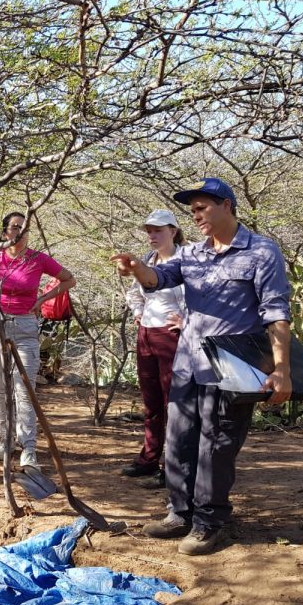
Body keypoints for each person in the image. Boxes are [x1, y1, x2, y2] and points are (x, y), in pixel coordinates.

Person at [111, 178, 292, 556]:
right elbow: (159, 278)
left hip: (233, 369)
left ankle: (211, 522)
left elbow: (275, 312)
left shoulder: (261, 252)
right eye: (192, 210)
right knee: (179, 441)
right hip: (187, 363)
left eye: (202, 208)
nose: (196, 216)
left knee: (216, 445)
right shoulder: (192, 253)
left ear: (226, 205)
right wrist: (136, 268)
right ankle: (180, 513)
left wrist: (281, 370)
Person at [0, 211, 76, 474]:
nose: (20, 233)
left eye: (24, 229)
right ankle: (5, 440)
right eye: (15, 227)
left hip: (25, 325)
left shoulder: (37, 259)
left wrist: (41, 301)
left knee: (25, 389)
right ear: (5, 231)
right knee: (0, 387)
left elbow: (69, 279)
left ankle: (29, 449)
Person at [121, 210, 186, 490]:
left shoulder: (187, 259)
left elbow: (199, 296)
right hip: (146, 333)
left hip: (172, 336)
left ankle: (171, 467)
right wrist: (138, 312)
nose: (152, 235)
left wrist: (187, 320)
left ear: (173, 231)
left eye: (158, 230)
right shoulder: (146, 261)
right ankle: (148, 458)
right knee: (151, 402)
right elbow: (134, 292)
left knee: (174, 403)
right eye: (149, 230)